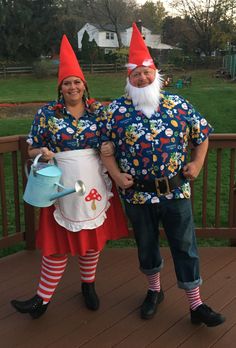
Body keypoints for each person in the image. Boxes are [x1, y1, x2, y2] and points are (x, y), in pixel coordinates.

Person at [99, 23, 225, 327]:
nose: (142, 77)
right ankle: (154, 292)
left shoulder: (178, 105)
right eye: (136, 73)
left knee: (184, 245)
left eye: (147, 71)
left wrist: (197, 164)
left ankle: (196, 305)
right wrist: (115, 175)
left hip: (175, 190)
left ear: (156, 73)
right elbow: (105, 148)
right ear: (128, 79)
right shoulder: (115, 111)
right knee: (146, 244)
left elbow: (202, 135)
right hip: (138, 192)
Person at [10, 34, 128, 319]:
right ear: (59, 87)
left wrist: (112, 147)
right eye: (67, 83)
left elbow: (118, 136)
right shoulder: (46, 114)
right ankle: (42, 300)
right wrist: (42, 151)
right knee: (56, 246)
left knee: (91, 239)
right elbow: (30, 149)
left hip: (95, 184)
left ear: (84, 85)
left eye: (77, 82)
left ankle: (88, 286)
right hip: (59, 187)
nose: (72, 87)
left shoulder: (100, 111)